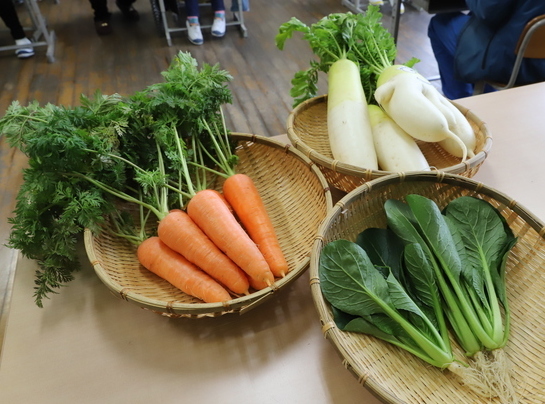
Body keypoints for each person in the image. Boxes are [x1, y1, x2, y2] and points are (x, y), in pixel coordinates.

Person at [428, 0, 545, 99]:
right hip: (539, 64)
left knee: (440, 24)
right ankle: (484, 96)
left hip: (508, 63)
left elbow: (487, 10)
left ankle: (461, 102)